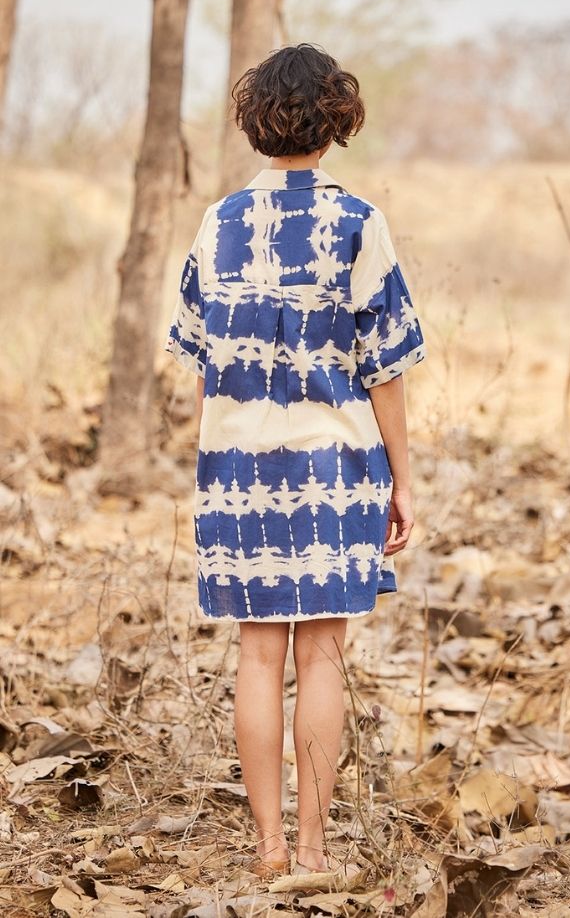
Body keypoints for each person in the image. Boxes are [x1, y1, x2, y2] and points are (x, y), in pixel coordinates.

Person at [163, 43, 426, 880]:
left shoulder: (219, 222)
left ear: (256, 121)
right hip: (334, 467)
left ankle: (268, 849)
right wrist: (403, 480)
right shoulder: (359, 222)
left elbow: (203, 360)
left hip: (236, 465)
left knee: (255, 653)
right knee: (321, 655)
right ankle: (314, 850)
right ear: (336, 117)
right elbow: (384, 369)